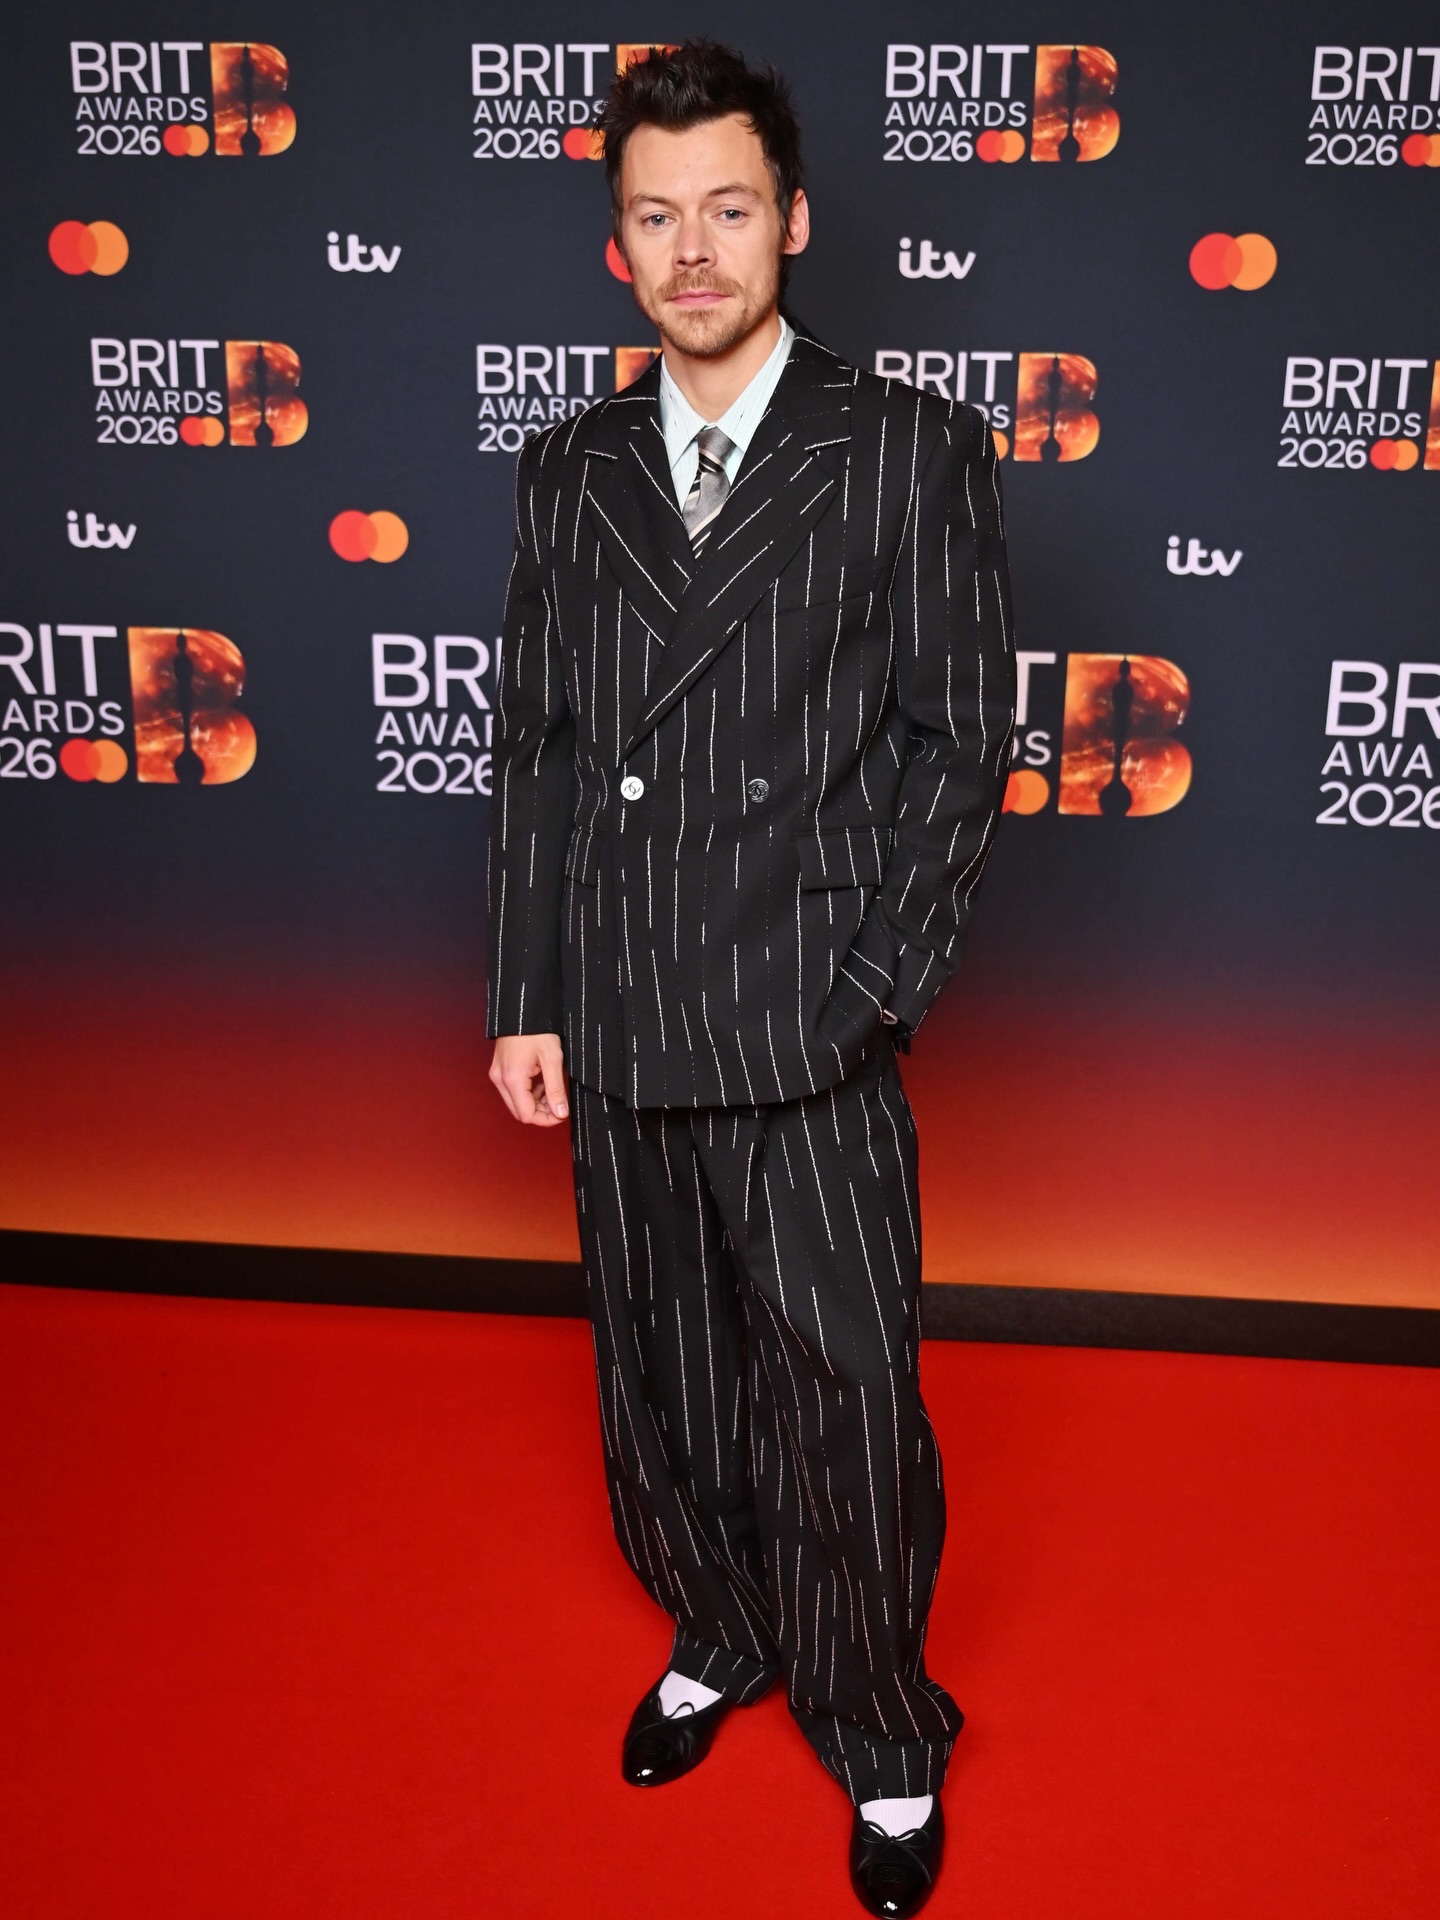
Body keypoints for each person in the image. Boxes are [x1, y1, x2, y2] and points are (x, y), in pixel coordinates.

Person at [485, 40, 1016, 1917]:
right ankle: (721, 1624)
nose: (692, 248)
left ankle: (881, 1728)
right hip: (618, 1011)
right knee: (666, 1378)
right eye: (654, 216)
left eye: (727, 208)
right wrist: (525, 994)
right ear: (616, 246)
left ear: (791, 221)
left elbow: (964, 738)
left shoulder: (907, 447)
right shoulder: (570, 468)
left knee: (846, 1386)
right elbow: (541, 745)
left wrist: (875, 979)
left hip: (807, 1014)